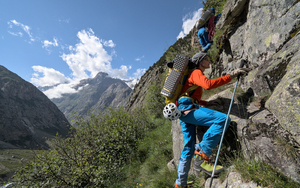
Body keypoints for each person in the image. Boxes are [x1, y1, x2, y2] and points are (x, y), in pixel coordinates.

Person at [174, 52, 250, 188]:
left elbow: (190, 94)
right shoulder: (196, 72)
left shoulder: (192, 75)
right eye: (207, 59)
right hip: (188, 107)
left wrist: (204, 103)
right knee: (223, 119)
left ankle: (180, 183)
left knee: (188, 146)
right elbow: (208, 85)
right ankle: (202, 154)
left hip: (182, 109)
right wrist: (231, 75)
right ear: (200, 61)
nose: (209, 61)